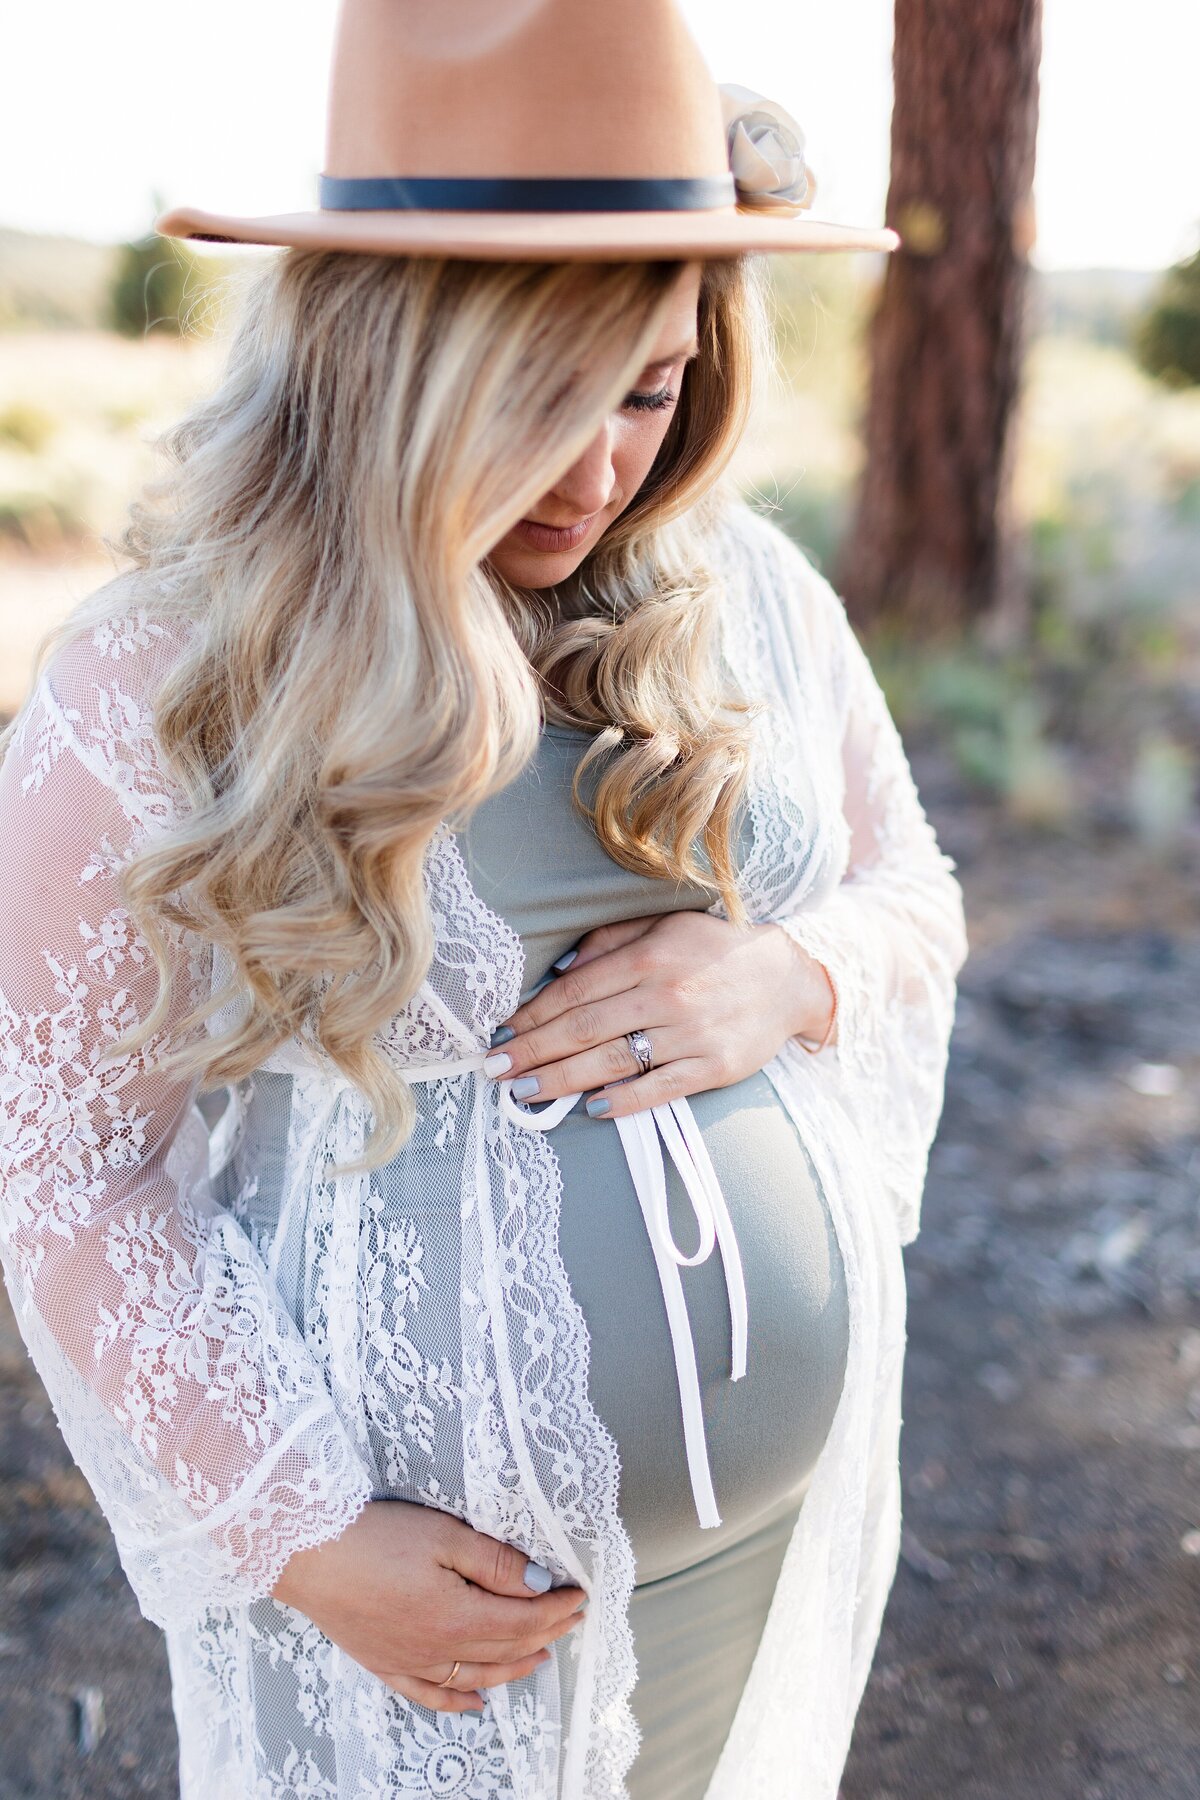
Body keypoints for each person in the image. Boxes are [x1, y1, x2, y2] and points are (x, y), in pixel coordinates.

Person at [0, 3, 968, 1796]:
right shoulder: (166, 683)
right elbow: (62, 1165)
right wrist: (296, 1538)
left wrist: (787, 976)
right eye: (538, 392)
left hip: (757, 1573)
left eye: (652, 386)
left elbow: (912, 889)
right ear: (389, 356)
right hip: (426, 1637)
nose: (602, 466)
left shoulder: (745, 591)